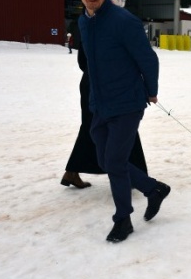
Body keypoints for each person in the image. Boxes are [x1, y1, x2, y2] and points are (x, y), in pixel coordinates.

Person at [75, 0, 170, 243]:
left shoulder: (124, 21)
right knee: (106, 159)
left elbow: (148, 59)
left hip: (127, 103)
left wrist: (151, 90)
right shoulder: (84, 21)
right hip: (99, 104)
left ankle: (123, 220)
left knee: (114, 161)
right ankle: (154, 189)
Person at [62, 43, 149, 189]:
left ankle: (72, 171)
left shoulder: (90, 27)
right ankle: (131, 175)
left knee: (94, 127)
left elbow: (83, 61)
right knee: (123, 126)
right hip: (108, 85)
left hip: (92, 82)